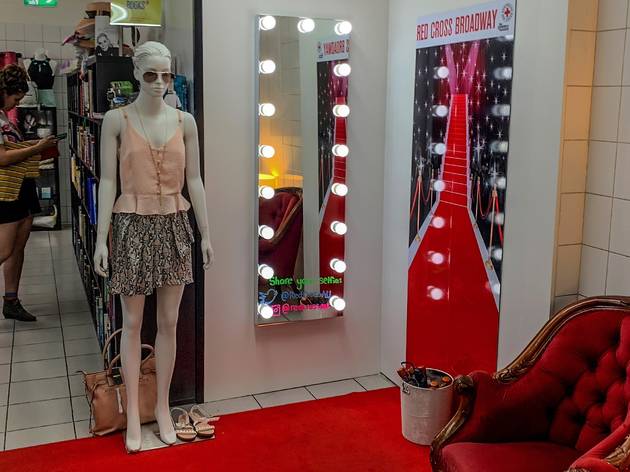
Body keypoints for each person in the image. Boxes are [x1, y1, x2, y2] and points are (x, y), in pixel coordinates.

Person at [0, 64, 57, 322]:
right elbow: (2, 158)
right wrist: (37, 148)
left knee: (19, 248)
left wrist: (35, 145)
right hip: (7, 191)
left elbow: (12, 148)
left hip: (23, 185)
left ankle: (11, 300)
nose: (15, 104)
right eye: (14, 98)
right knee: (4, 249)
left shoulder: (4, 118)